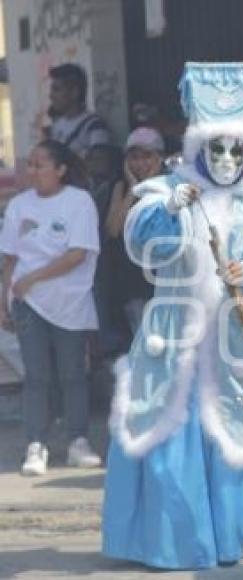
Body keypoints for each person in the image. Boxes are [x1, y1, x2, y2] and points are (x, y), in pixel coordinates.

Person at [101, 62, 243, 569]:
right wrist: (169, 207)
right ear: (197, 146)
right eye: (217, 146)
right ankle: (175, 540)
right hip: (174, 331)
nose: (227, 158)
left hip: (229, 335)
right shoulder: (165, 190)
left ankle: (228, 531)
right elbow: (141, 244)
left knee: (229, 429)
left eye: (237, 148)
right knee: (168, 432)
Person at [0, 140, 102, 476]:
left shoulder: (79, 202)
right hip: (28, 305)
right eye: (29, 164)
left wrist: (35, 278)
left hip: (69, 302)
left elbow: (78, 253)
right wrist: (5, 299)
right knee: (36, 375)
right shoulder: (18, 206)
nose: (32, 171)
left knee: (73, 373)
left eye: (40, 164)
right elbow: (11, 258)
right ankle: (36, 444)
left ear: (60, 170)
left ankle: (78, 440)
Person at [102, 127, 164, 336]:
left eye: (148, 156)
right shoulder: (121, 187)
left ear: (160, 157)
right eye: (135, 157)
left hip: (167, 279)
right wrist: (134, 188)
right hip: (134, 282)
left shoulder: (172, 185)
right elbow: (113, 229)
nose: (141, 163)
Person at [45, 63, 112, 160]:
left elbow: (100, 165)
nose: (51, 96)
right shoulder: (55, 126)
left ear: (74, 92)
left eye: (57, 89)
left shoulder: (94, 126)